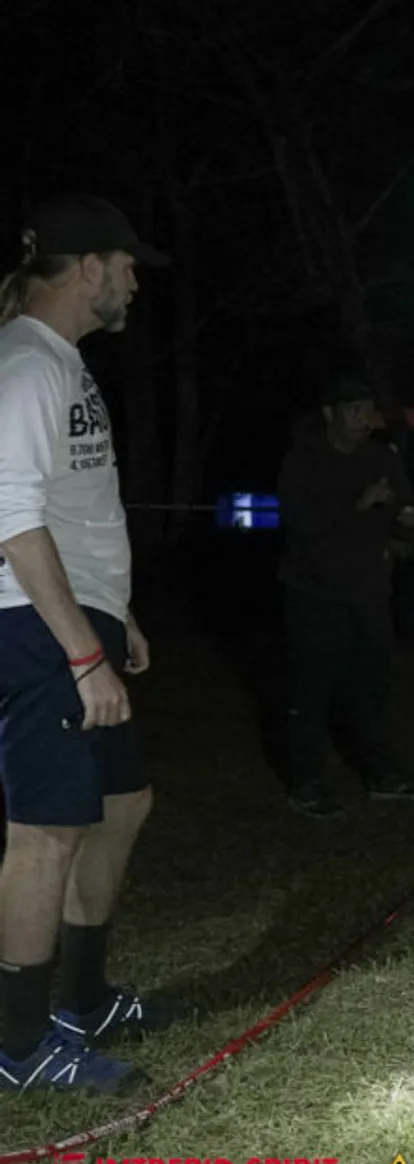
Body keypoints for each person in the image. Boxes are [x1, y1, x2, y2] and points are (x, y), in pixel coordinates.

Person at [0, 194, 178, 1093]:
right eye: (128, 265)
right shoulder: (28, 363)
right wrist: (80, 650)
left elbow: (75, 512)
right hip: (34, 628)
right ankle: (20, 1046)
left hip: (78, 615)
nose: (136, 281)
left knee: (122, 804)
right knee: (46, 830)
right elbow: (11, 516)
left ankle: (84, 998)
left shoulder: (63, 363)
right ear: (90, 266)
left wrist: (115, 613)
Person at [278, 372, 414, 818]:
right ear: (330, 413)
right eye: (353, 409)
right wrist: (359, 505)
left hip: (369, 593)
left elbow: (406, 513)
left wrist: (408, 523)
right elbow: (301, 525)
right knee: (313, 690)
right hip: (315, 594)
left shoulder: (381, 458)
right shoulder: (305, 461)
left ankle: (381, 773)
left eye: (367, 409)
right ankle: (306, 781)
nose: (363, 418)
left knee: (371, 686)